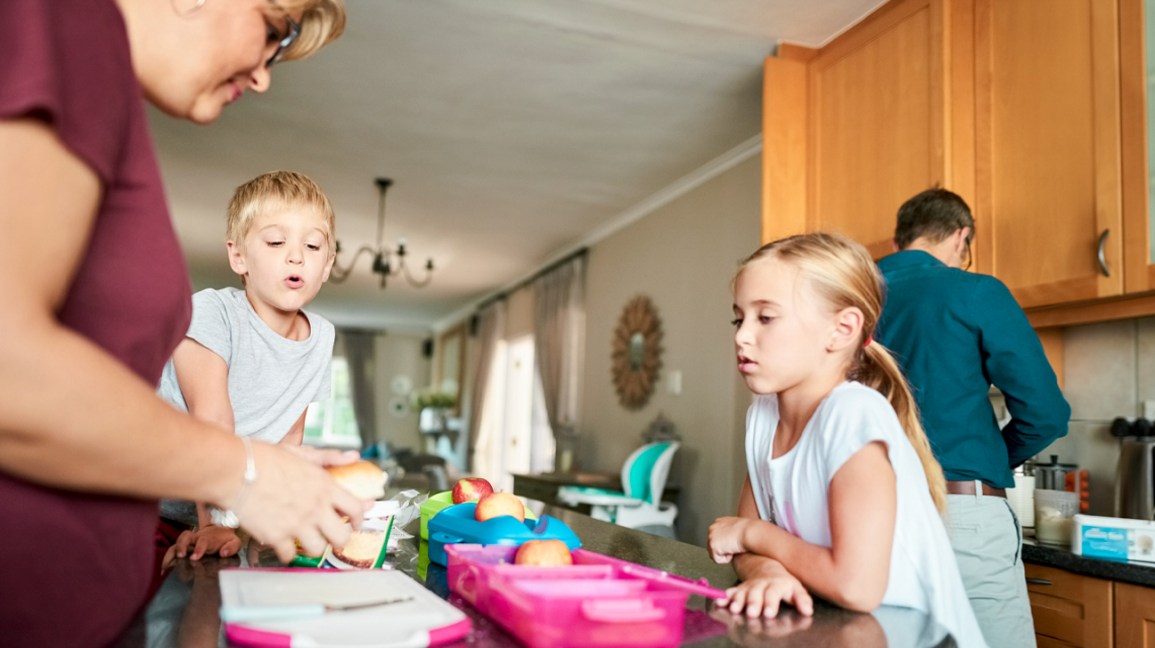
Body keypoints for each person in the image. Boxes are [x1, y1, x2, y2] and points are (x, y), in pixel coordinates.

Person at [0, 0, 365, 646]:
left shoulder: (105, 85)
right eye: (274, 33)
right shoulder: (66, 27)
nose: (263, 75)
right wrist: (241, 473)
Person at [708, 233, 987, 648]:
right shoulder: (763, 417)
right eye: (739, 318)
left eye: (766, 318)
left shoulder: (852, 414)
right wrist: (769, 572)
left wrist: (755, 536)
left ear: (842, 329)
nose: (742, 336)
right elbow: (742, 539)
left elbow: (856, 586)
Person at [876, 188, 1070, 648]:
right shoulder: (974, 291)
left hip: (869, 512)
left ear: (900, 237)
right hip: (961, 512)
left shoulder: (853, 293)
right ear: (961, 237)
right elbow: (1046, 414)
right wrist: (987, 459)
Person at [157, 170, 340, 565]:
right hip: (155, 507)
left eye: (312, 245)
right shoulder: (211, 311)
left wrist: (281, 511)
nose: (296, 255)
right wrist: (211, 522)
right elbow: (211, 423)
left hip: (236, 515)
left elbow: (290, 437)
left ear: (327, 265)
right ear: (238, 256)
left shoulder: (322, 337)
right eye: (276, 241)